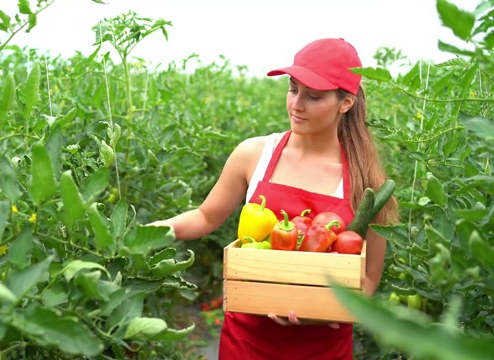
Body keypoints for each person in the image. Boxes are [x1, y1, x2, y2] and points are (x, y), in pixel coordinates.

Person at [150, 37, 399, 359]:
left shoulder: (366, 181)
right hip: (247, 341)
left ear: (345, 103)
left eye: (314, 97)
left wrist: (320, 310)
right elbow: (207, 217)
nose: (297, 104)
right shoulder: (255, 154)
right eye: (293, 89)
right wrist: (154, 231)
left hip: (322, 347)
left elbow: (368, 278)